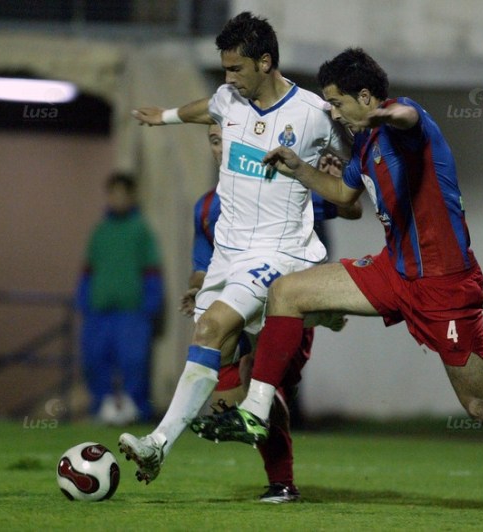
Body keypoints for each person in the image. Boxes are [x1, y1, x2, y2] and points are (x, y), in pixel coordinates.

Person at [191, 48, 483, 517]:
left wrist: (387, 113)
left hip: (445, 288)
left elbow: (406, 117)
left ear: (367, 97)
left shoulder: (405, 124)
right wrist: (299, 169)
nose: (333, 112)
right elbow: (343, 193)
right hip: (394, 271)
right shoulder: (365, 145)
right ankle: (256, 410)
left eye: (338, 103)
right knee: (287, 291)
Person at [118, 11, 350, 489]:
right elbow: (205, 108)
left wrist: (336, 172)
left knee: (217, 333)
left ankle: (159, 443)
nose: (228, 78)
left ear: (265, 62)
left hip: (277, 254)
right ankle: (259, 458)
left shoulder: (313, 114)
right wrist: (164, 117)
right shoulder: (228, 100)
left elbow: (349, 189)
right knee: (217, 362)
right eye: (224, 69)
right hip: (229, 255)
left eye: (236, 68)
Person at [179, 124, 359, 502]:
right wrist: (197, 288)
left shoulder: (282, 187)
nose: (221, 147)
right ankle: (260, 419)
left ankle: (282, 483)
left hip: (284, 309)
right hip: (238, 311)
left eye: (227, 138)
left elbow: (351, 209)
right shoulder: (207, 206)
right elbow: (202, 266)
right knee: (228, 403)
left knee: (258, 380)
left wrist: (333, 179)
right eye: (214, 140)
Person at [76, 172, 164, 425]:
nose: (118, 199)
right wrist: (84, 301)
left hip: (131, 313)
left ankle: (136, 412)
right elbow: (88, 271)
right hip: (99, 313)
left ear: (132, 196)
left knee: (134, 363)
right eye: (113, 194)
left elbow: (152, 272)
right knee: (95, 362)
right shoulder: (100, 231)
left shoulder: (141, 231)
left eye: (123, 194)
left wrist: (150, 307)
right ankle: (101, 410)